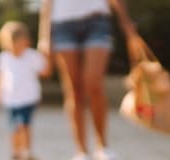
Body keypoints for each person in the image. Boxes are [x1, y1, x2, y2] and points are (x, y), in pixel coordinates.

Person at [36, 0, 137, 160]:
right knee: (74, 89)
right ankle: (81, 151)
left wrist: (126, 22)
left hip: (96, 22)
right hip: (63, 24)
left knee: (93, 83)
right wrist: (44, 37)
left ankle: (102, 146)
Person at [0, 21, 51, 160]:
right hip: (10, 99)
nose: (16, 48)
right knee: (13, 128)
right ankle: (16, 152)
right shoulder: (3, 58)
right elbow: (0, 77)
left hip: (28, 98)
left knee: (24, 125)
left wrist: (46, 55)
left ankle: (26, 151)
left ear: (26, 42)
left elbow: (45, 72)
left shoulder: (32, 56)